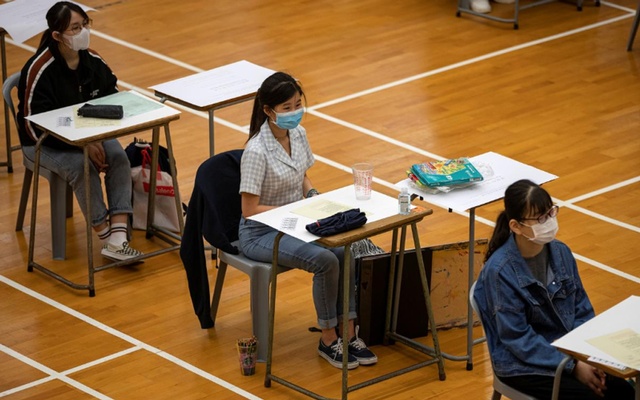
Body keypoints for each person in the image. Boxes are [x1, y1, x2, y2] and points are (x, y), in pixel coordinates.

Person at [237, 71, 377, 369]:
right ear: (267, 111)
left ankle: (349, 332)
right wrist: (291, 212)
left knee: (345, 250)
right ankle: (328, 339)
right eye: (287, 108)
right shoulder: (256, 151)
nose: (295, 112)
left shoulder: (298, 134)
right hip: (261, 233)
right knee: (325, 261)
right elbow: (249, 210)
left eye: (297, 104)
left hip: (295, 222)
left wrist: (314, 195)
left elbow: (301, 174)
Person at [473, 179, 635, 399]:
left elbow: (582, 310)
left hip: (572, 352)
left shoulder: (561, 253)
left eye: (550, 213)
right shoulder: (500, 272)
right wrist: (573, 366)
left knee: (624, 390)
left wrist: (589, 357)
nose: (549, 221)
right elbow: (518, 339)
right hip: (523, 364)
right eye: (540, 218)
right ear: (515, 226)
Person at [17, 1, 142, 261]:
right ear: (57, 35)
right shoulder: (40, 70)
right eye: (75, 28)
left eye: (85, 25)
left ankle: (119, 238)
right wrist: (80, 145)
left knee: (118, 157)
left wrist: (95, 139)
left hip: (90, 134)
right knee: (81, 166)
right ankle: (105, 235)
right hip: (44, 143)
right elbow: (31, 126)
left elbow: (112, 99)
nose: (83, 31)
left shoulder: (93, 60)